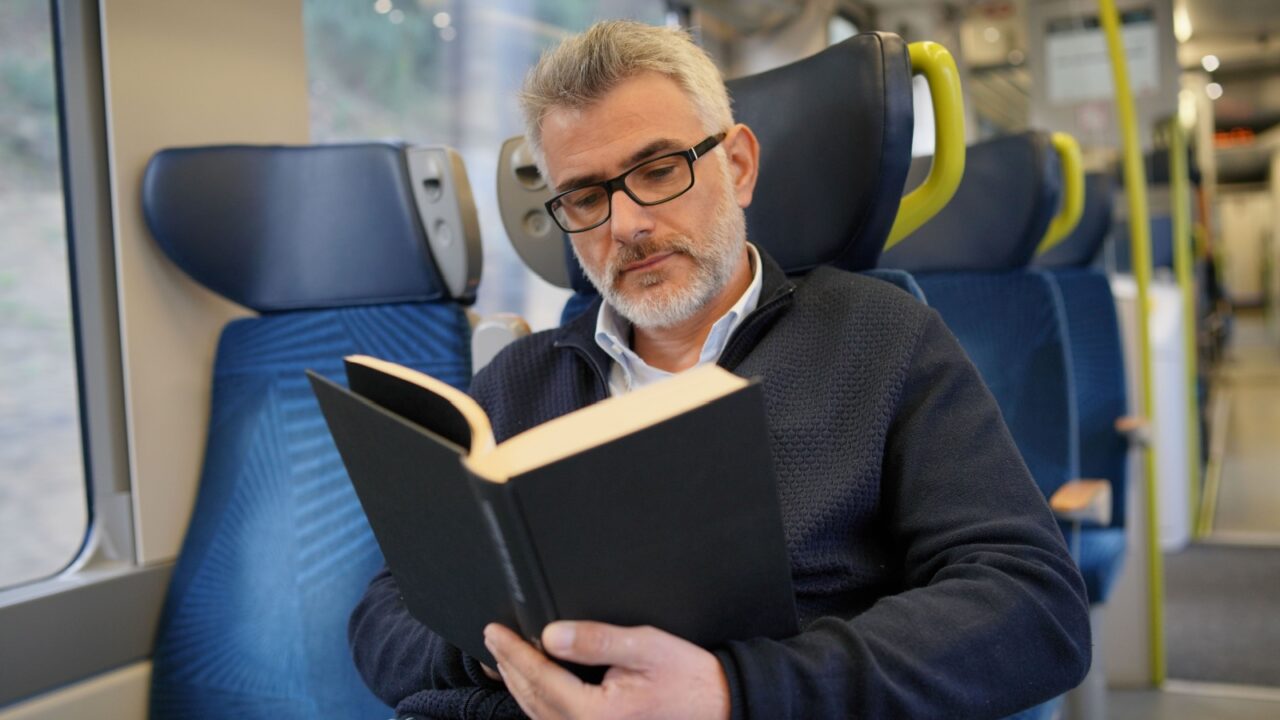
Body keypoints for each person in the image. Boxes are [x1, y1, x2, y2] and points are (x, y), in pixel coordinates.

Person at [349, 20, 1090, 720]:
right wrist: (491, 646)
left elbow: (1032, 606)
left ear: (737, 166)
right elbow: (382, 618)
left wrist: (734, 691)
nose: (627, 225)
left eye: (658, 171)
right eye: (586, 196)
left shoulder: (881, 339)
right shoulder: (520, 381)